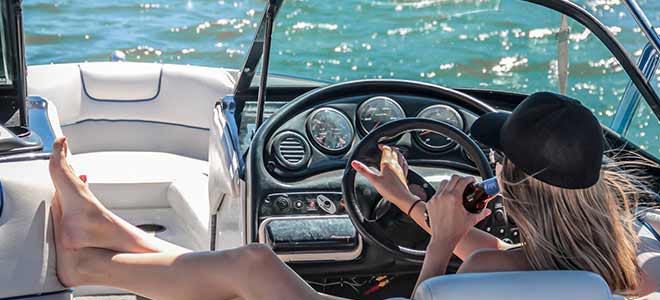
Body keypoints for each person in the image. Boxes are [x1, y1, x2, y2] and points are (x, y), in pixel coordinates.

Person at [49, 92, 656, 300]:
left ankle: (85, 260)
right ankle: (103, 231)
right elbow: (500, 254)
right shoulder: (623, 266)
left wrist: (440, 238)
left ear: (514, 184)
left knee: (254, 265)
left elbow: (445, 284)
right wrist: (405, 199)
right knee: (254, 268)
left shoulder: (493, 269)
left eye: (500, 161)